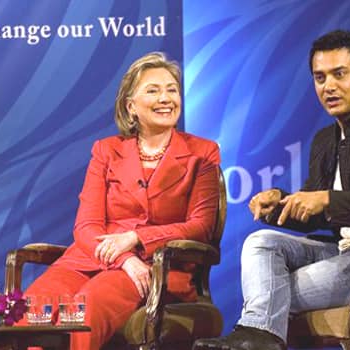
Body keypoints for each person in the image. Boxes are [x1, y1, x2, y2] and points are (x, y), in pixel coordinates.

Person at [193, 29, 350, 350]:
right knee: (261, 242)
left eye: (339, 74)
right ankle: (263, 338)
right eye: (319, 77)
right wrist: (281, 204)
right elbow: (314, 215)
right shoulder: (325, 140)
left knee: (271, 294)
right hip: (341, 254)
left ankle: (258, 335)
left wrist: (327, 200)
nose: (328, 86)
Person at [20, 52, 221, 350]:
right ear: (131, 106)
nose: (166, 98)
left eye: (172, 89)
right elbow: (86, 226)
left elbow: (200, 227)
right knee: (29, 310)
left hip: (157, 267)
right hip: (92, 260)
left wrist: (136, 239)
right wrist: (123, 258)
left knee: (86, 310)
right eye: (153, 90)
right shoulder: (106, 151)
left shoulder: (202, 152)